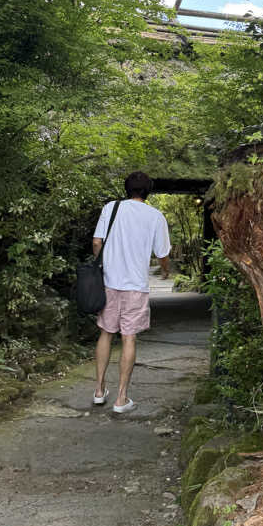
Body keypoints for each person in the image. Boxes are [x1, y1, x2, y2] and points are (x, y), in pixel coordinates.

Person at [91, 171, 171, 413]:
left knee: (105, 333)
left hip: (109, 282)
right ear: (148, 191)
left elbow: (97, 242)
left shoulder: (111, 208)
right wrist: (165, 271)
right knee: (128, 338)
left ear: (127, 189)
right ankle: (121, 398)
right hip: (135, 285)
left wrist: (102, 265)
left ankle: (98, 390)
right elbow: (162, 253)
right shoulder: (155, 216)